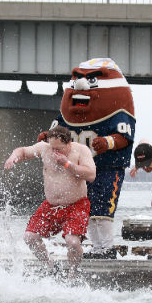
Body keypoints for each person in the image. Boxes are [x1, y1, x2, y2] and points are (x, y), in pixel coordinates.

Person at [40, 58, 136, 260]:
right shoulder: (67, 116)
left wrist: (108, 142)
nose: (81, 86)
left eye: (91, 80)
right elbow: (57, 132)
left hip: (106, 167)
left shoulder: (117, 112)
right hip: (80, 171)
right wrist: (47, 138)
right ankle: (98, 247)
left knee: (103, 209)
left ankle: (107, 247)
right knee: (88, 208)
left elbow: (124, 137)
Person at [4, 126, 96, 273]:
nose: (55, 152)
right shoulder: (44, 148)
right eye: (53, 148)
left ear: (69, 144)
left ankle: (73, 273)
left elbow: (91, 175)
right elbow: (22, 151)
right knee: (30, 237)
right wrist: (13, 157)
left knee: (72, 242)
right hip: (51, 205)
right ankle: (50, 265)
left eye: (59, 149)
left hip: (76, 204)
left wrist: (67, 164)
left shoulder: (80, 150)